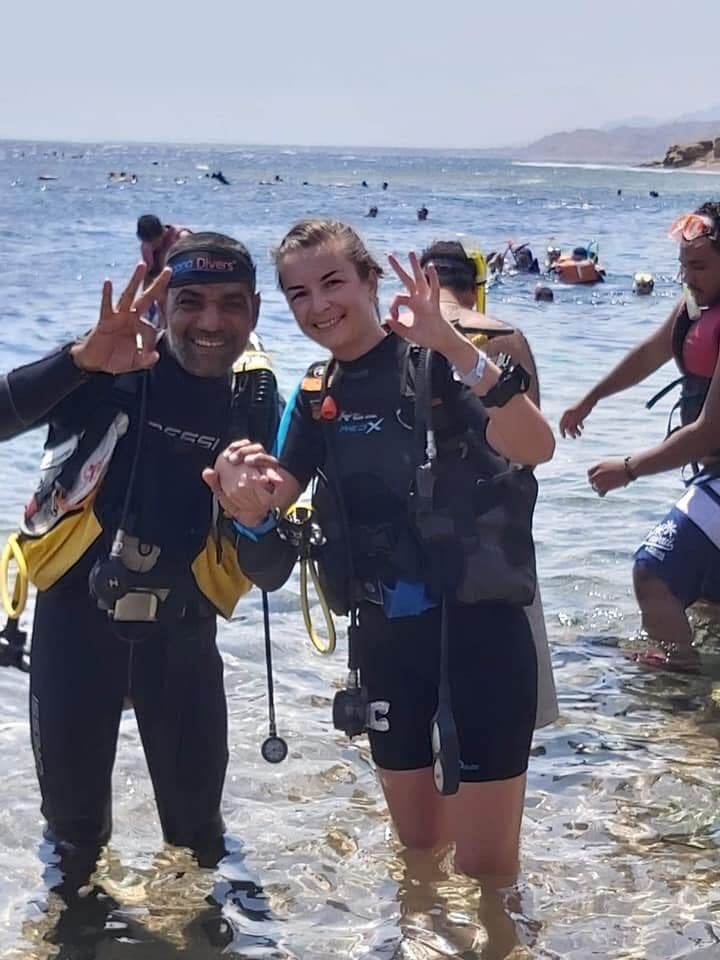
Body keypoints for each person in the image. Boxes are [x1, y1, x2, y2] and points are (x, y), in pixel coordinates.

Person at [206, 219, 555, 883]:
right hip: (389, 645)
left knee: (487, 871)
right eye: (297, 294)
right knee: (419, 857)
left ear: (371, 281)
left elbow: (536, 448)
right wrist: (246, 507)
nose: (318, 306)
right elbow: (271, 552)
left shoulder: (444, 363)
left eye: (333, 282)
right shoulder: (315, 396)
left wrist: (454, 346)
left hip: (482, 637)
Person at [0, 232, 295, 883]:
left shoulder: (256, 402)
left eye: (230, 304)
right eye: (190, 302)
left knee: (198, 848)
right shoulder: (107, 365)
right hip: (74, 629)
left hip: (183, 640)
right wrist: (77, 360)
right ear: (161, 308)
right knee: (73, 844)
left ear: (255, 311)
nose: (211, 323)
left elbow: (274, 572)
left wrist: (253, 515)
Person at [559, 203, 720, 671]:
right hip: (709, 475)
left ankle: (680, 683)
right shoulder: (695, 308)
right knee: (708, 595)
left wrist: (628, 469)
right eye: (683, 265)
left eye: (700, 266)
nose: (688, 276)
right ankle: (704, 710)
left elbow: (707, 431)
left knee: (652, 573)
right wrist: (592, 397)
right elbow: (648, 354)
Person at [419, 240, 558, 727]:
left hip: (413, 558)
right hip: (497, 556)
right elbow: (529, 453)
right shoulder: (503, 337)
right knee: (503, 728)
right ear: (476, 287)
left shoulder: (397, 338)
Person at [136, 215, 192, 285]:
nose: (152, 246)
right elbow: (147, 276)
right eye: (148, 242)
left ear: (162, 232)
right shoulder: (146, 244)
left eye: (154, 243)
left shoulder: (181, 237)